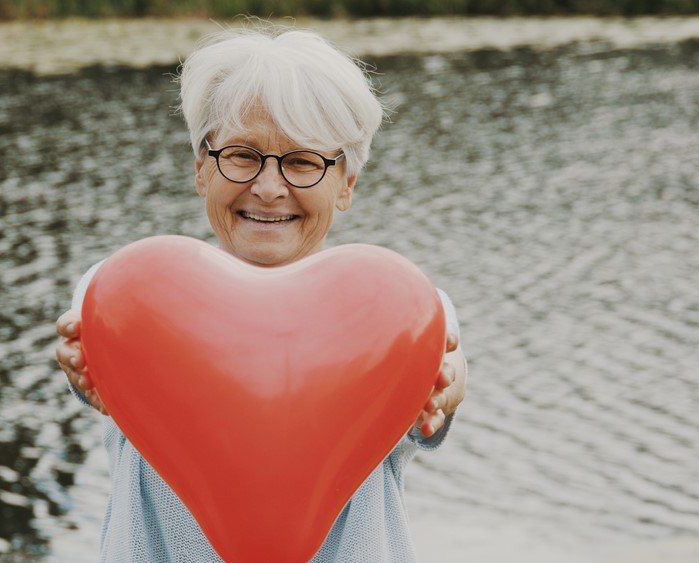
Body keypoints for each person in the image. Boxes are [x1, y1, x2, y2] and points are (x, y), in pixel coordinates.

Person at [55, 23, 467, 562]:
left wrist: (445, 391)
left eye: (302, 162)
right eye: (242, 156)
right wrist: (85, 379)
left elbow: (445, 378)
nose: (269, 188)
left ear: (346, 184)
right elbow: (96, 353)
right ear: (202, 168)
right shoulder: (129, 293)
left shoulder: (402, 308)